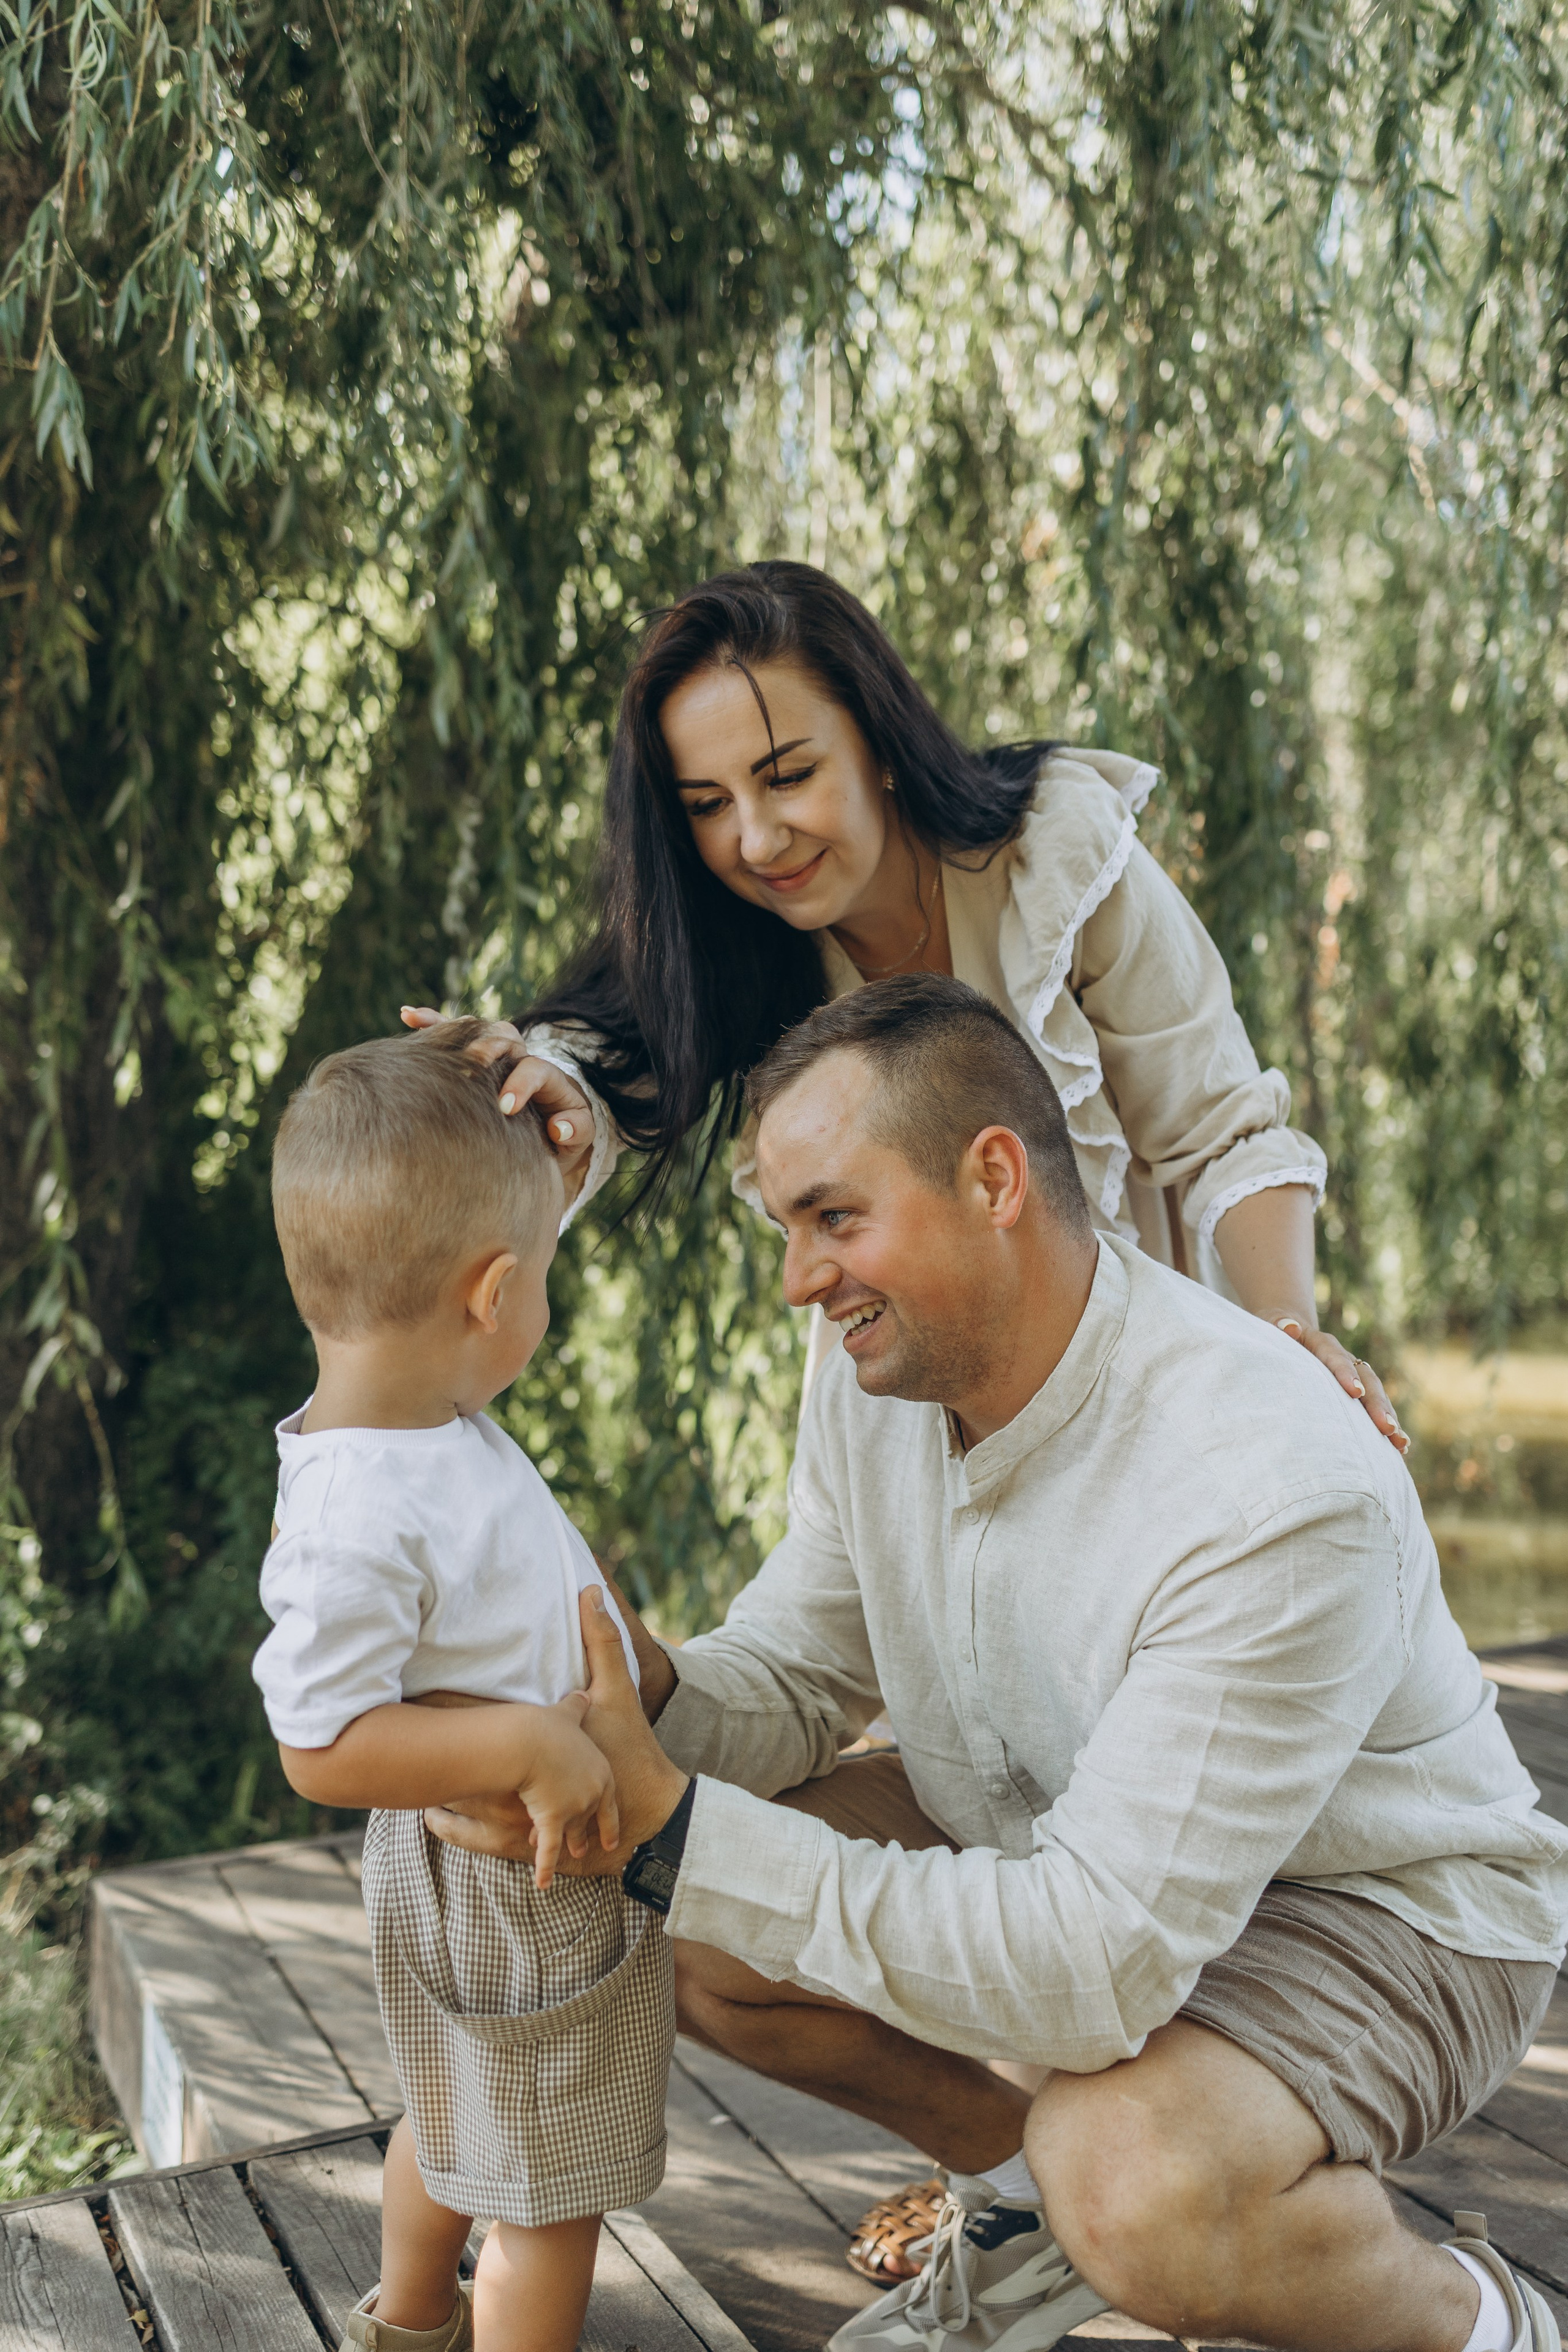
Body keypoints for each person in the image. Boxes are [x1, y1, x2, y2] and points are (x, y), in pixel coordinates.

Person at [431, 978, 1568, 2352]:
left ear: (991, 1180)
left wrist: (673, 1829)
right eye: (786, 1228)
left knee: (1133, 2178)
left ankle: (1483, 2324)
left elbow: (1090, 1970)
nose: (800, 1278)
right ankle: (1031, 2221)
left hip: (1378, 1902)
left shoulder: (1265, 1486)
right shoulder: (879, 1361)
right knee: (689, 1928)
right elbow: (799, 1673)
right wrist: (637, 1697)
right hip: (1064, 1819)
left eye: (833, 1220)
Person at [404, 560, 1406, 1468]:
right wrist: (539, 1087)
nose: (756, 838)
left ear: (878, 741)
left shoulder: (1055, 863)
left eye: (788, 775)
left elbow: (1219, 1131)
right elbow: (599, 1070)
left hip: (1154, 1378)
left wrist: (1284, 1338)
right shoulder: (738, 953)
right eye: (707, 805)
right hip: (927, 1415)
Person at [253, 1021, 674, 2352]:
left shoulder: (417, 1431)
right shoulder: (355, 1504)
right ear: (494, 1295)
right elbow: (318, 1745)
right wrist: (531, 1748)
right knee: (549, 2201)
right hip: (520, 1870)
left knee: (453, 2112)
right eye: (543, 1280)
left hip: (494, 1867)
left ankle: (410, 2318)